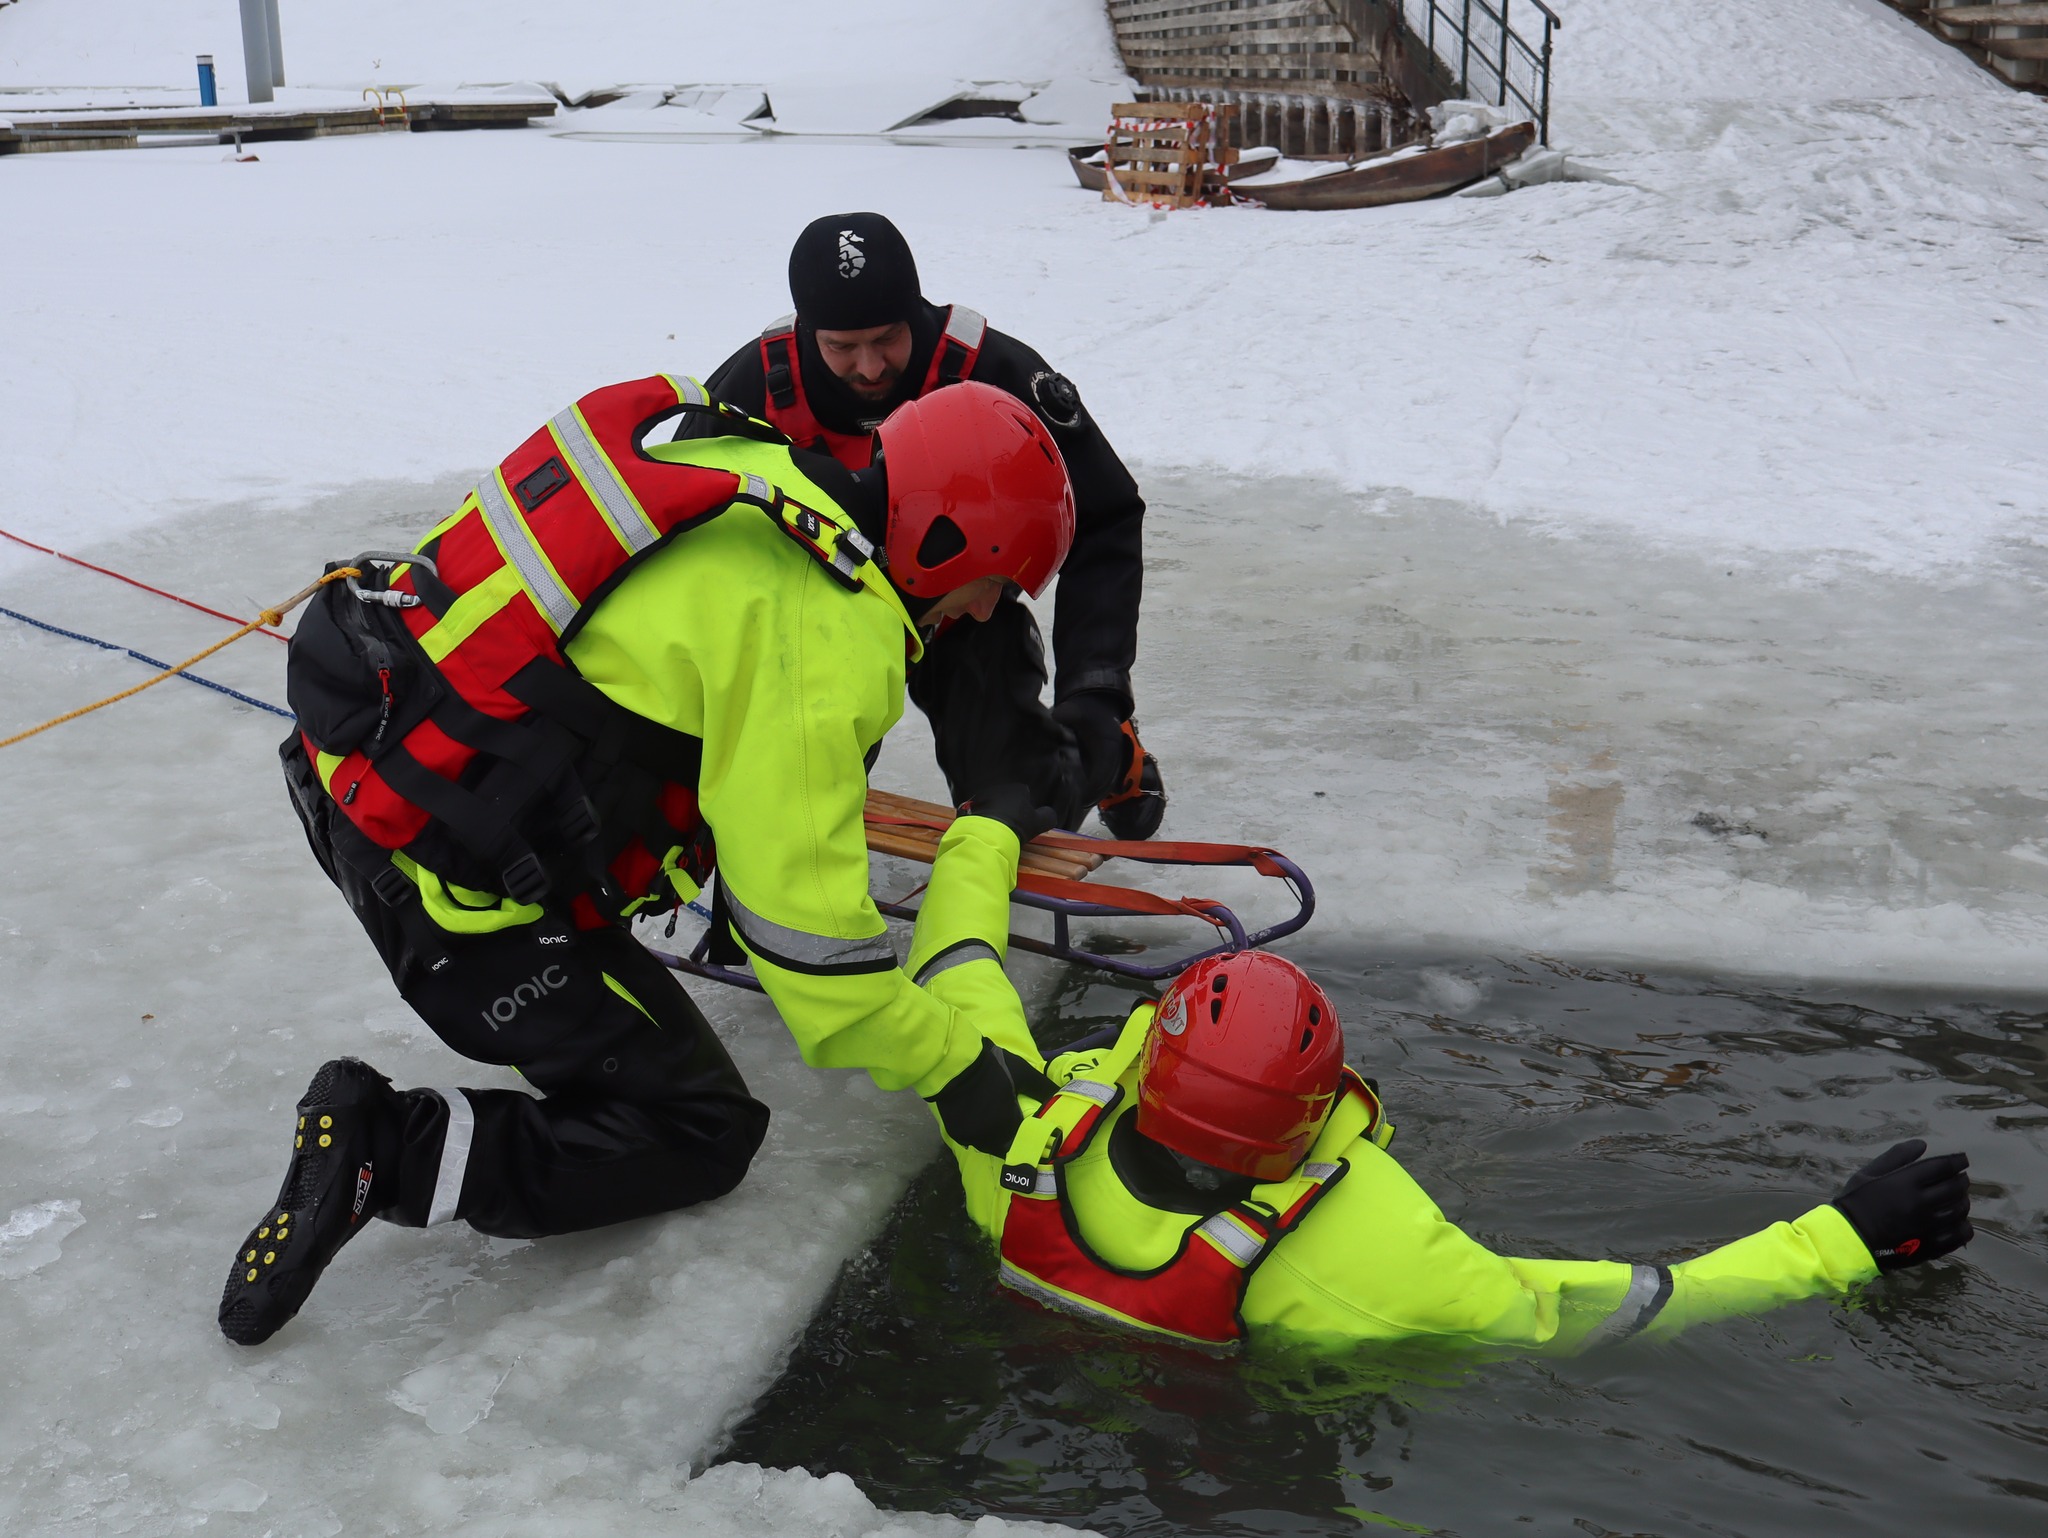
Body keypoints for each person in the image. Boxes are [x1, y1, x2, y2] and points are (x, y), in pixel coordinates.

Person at [218, 375, 1069, 1345]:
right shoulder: (829, 627)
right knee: (700, 1130)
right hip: (445, 887)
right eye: (995, 585)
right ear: (954, 540)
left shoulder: (744, 467)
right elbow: (814, 961)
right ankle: (385, 1147)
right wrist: (961, 1065)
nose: (976, 612)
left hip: (349, 759)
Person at [905, 850, 1973, 1349]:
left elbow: (959, 975)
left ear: (1149, 1064)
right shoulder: (1380, 1254)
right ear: (1309, 1116)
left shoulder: (1021, 1144)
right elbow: (1622, 1306)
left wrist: (983, 833)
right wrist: (1838, 1237)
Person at [694, 211, 1164, 840]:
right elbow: (687, 526)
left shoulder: (990, 369)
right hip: (820, 622)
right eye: (840, 346)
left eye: (887, 338)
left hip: (965, 612)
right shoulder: (754, 386)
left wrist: (1097, 690)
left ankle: (1111, 760)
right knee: (797, 798)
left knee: (1020, 800)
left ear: (915, 311)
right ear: (808, 332)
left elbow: (1103, 516)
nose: (867, 367)